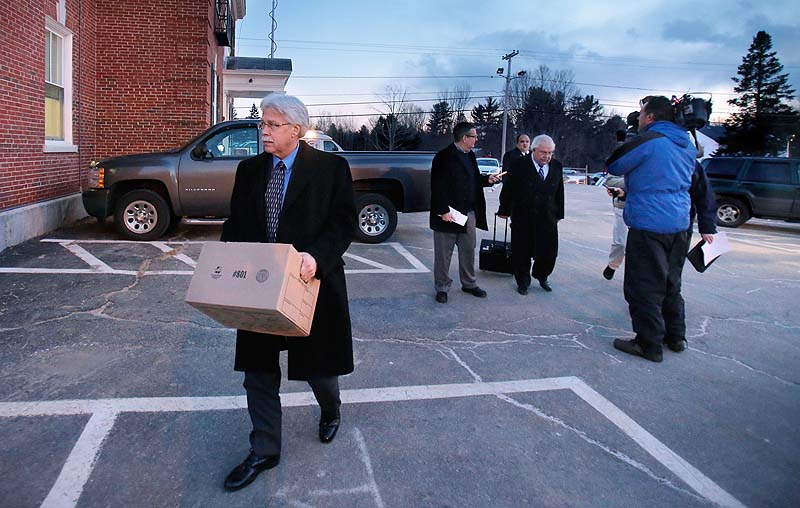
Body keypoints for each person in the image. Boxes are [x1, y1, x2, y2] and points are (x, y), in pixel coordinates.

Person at [220, 94, 357, 491]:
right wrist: (228, 266)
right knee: (257, 372)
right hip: (259, 288)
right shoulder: (249, 170)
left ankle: (331, 409)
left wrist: (317, 257)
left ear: (294, 130)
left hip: (312, 284)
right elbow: (237, 223)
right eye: (262, 123)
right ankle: (264, 449)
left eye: (272, 124)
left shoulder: (331, 168)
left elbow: (343, 222)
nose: (263, 130)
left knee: (318, 368)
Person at [606, 95, 697, 363]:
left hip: (650, 224)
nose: (640, 116)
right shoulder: (686, 143)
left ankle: (648, 344)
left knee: (644, 287)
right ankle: (675, 336)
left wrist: (629, 139)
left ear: (651, 117)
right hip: (680, 223)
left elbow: (614, 164)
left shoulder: (650, 140)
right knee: (671, 283)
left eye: (642, 112)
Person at [430, 121, 502, 303]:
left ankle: (469, 284)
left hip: (468, 214)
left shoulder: (469, 156)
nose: (477, 139)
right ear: (464, 138)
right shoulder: (443, 157)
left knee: (468, 251)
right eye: (474, 136)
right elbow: (437, 186)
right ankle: (442, 287)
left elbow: (473, 179)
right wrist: (443, 210)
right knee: (443, 255)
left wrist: (488, 180)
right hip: (447, 215)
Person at [497, 134, 564, 294]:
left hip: (547, 217)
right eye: (543, 152)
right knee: (522, 252)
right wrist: (504, 209)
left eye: (549, 153)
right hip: (523, 216)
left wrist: (559, 213)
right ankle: (523, 281)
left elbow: (559, 191)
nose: (546, 156)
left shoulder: (556, 166)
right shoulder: (519, 165)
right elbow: (508, 189)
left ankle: (542, 275)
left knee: (549, 253)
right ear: (534, 150)